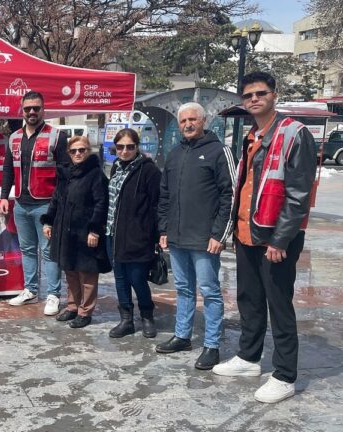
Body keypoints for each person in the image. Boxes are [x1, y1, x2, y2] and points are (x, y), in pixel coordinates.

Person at [213, 72, 317, 403]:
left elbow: (299, 195)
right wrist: (235, 229)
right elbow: (245, 186)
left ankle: (285, 375)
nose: (254, 99)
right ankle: (249, 357)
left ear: (274, 95)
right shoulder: (252, 136)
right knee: (250, 299)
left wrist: (280, 240)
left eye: (260, 93)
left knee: (279, 304)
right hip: (248, 232)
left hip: (275, 238)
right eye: (248, 95)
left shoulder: (294, 133)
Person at [155, 102, 236, 370]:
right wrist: (164, 228)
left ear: (203, 121)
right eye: (183, 121)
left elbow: (230, 194)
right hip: (177, 237)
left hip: (205, 239)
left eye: (193, 119)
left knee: (209, 291)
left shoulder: (219, 151)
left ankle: (212, 344)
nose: (188, 124)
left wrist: (219, 234)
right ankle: (182, 336)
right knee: (183, 288)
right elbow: (164, 195)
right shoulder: (175, 154)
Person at [0, 91, 68, 316]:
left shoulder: (57, 136)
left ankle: (53, 294)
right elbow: (8, 169)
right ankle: (30, 290)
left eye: (36, 108)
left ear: (43, 109)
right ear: (22, 110)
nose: (32, 112)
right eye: (27, 108)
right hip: (21, 204)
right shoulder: (14, 137)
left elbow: (64, 174)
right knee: (27, 250)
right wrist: (4, 196)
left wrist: (58, 206)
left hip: (46, 205)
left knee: (48, 251)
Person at [41, 136, 110, 328]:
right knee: (70, 271)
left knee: (87, 274)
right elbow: (56, 199)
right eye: (73, 151)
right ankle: (72, 307)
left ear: (88, 151)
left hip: (85, 232)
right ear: (69, 153)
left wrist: (94, 230)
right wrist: (48, 222)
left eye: (82, 150)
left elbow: (101, 204)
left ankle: (85, 311)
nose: (78, 153)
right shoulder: (65, 173)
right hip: (65, 230)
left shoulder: (95, 174)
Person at [106, 128, 162, 339]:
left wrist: (157, 234)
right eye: (120, 147)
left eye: (130, 147)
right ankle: (126, 319)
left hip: (138, 235)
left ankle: (147, 315)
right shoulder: (116, 167)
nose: (124, 151)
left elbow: (157, 205)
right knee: (120, 277)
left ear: (137, 147)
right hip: (112, 232)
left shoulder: (149, 171)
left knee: (137, 278)